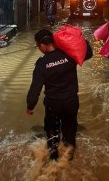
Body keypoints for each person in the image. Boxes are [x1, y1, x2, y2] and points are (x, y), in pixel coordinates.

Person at [26, 29, 93, 161]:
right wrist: (79, 40)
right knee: (69, 129)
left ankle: (54, 159)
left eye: (38, 46)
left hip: (53, 104)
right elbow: (88, 53)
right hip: (71, 102)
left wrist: (30, 106)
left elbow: (35, 88)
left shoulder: (42, 63)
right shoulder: (69, 55)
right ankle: (68, 159)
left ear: (42, 45)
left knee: (52, 130)